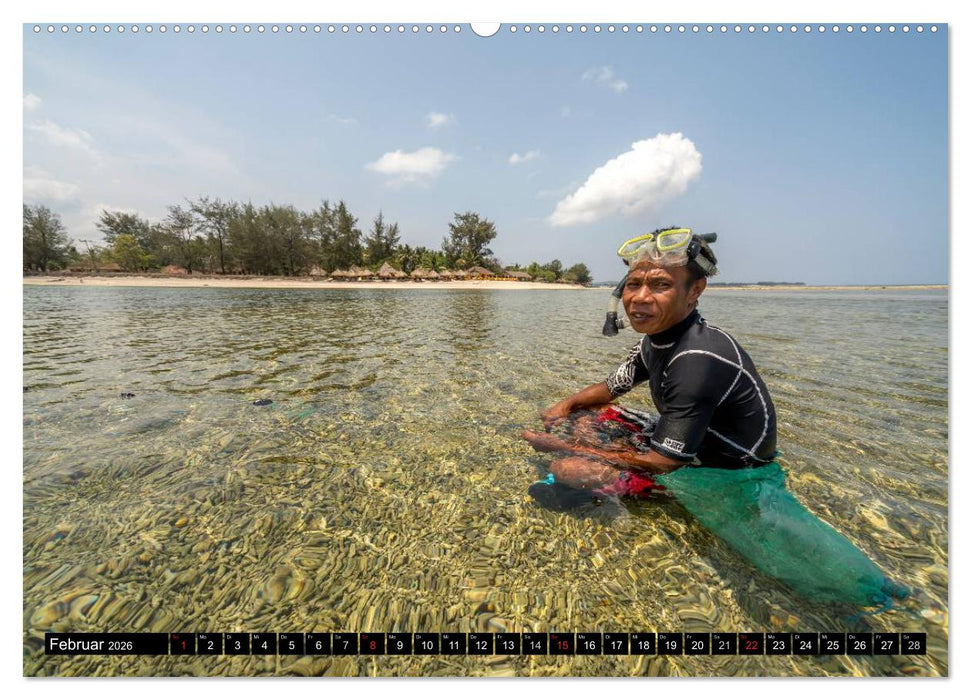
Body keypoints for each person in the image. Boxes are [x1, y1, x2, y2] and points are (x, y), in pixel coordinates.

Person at [523, 227, 777, 506]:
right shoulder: (655, 341)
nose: (640, 298)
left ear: (695, 290)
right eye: (634, 284)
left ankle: (590, 489)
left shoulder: (697, 359)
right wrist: (564, 406)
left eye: (660, 285)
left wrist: (565, 448)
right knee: (585, 414)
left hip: (728, 467)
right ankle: (594, 473)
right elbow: (610, 388)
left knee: (567, 469)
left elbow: (663, 462)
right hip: (690, 440)